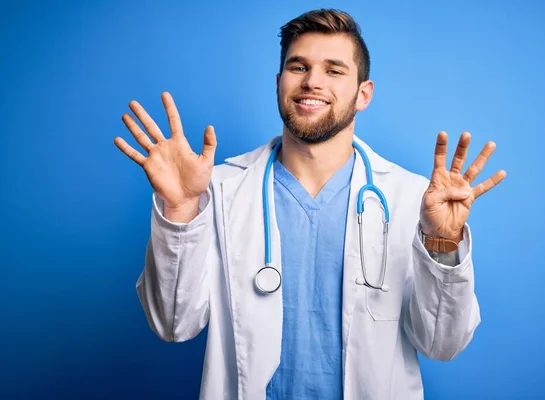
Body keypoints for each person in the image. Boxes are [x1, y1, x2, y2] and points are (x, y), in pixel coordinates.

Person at [114, 8, 506, 400]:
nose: (312, 82)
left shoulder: (411, 199)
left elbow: (443, 344)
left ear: (363, 93)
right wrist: (180, 210)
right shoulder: (219, 189)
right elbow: (173, 323)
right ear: (279, 82)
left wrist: (442, 243)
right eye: (298, 67)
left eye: (334, 70)